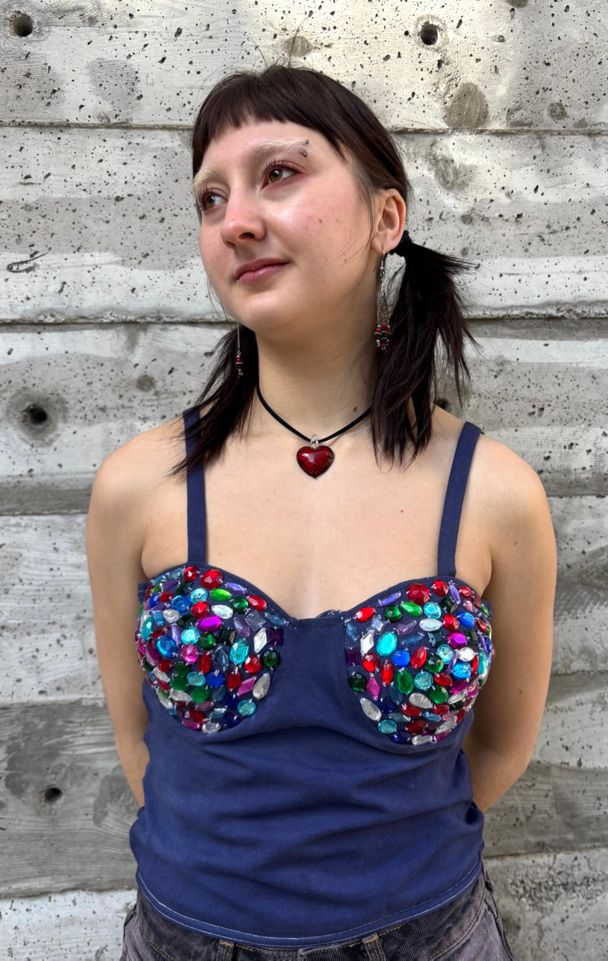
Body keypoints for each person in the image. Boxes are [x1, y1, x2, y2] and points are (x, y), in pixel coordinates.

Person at [85, 63, 556, 961]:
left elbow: (501, 745)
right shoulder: (139, 486)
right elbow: (135, 737)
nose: (236, 220)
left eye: (280, 173)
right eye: (211, 198)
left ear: (387, 217)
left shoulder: (494, 492)